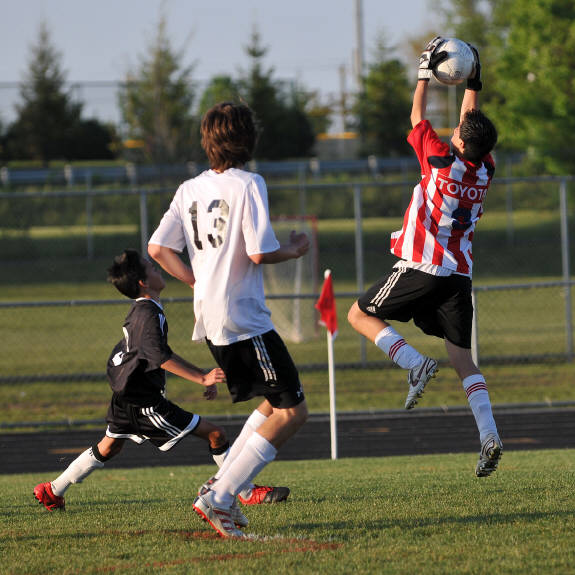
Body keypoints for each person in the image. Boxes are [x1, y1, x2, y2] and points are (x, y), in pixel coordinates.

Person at [148, 101, 310, 538]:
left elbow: (158, 249)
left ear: (208, 141)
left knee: (272, 402)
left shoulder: (189, 188)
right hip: (243, 316)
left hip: (211, 317)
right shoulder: (249, 183)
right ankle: (220, 496)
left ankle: (219, 485)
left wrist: (197, 281)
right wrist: (294, 250)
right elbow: (258, 252)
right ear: (247, 139)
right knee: (293, 411)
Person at [347, 37, 502, 478]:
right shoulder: (485, 169)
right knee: (463, 359)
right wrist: (473, 79)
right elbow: (470, 126)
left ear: (460, 141)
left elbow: (417, 117)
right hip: (459, 275)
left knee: (358, 314)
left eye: (458, 132)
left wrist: (422, 75)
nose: (454, 131)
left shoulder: (438, 159)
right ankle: (489, 435)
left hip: (423, 266)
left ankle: (414, 364)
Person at [33, 250, 281, 525]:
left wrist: (201, 374)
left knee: (109, 447)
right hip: (144, 404)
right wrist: (202, 379)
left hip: (126, 398)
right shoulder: (149, 314)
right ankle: (244, 491)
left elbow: (158, 352)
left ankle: (53, 490)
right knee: (216, 434)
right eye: (151, 268)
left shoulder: (142, 311)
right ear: (143, 282)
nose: (157, 269)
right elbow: (158, 356)